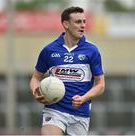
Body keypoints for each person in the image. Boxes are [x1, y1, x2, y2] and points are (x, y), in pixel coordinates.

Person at [30, 6, 105, 135]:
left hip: (80, 113)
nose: (83, 25)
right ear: (66, 24)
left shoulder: (92, 51)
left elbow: (100, 85)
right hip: (54, 110)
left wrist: (84, 98)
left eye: (84, 21)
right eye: (78, 22)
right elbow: (35, 78)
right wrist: (35, 92)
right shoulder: (49, 50)